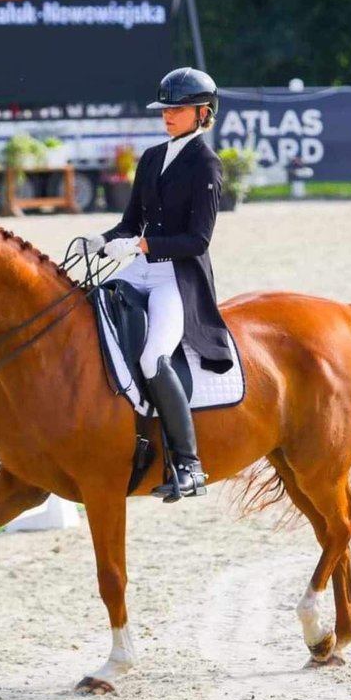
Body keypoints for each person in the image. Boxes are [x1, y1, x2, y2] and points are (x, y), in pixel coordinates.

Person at [83, 67, 235, 502]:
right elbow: (130, 222)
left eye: (178, 110)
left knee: (153, 358)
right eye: (166, 109)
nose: (168, 116)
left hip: (176, 277)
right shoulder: (151, 157)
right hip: (142, 268)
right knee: (91, 312)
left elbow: (197, 240)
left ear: (202, 114)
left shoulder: (206, 163)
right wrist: (105, 239)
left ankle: (188, 464)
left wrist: (141, 244)